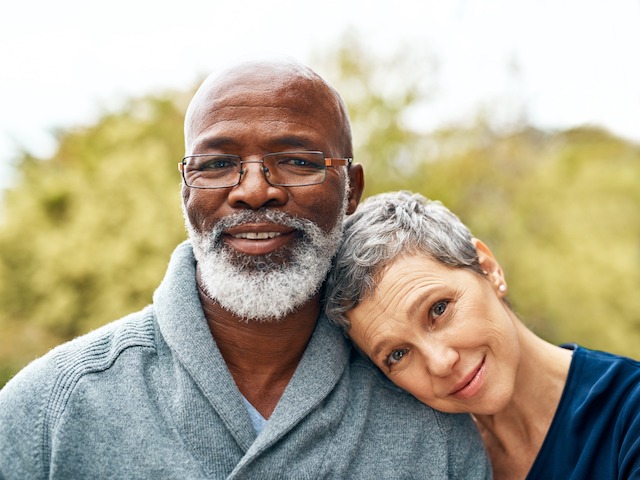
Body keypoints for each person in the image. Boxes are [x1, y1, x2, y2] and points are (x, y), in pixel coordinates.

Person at [0, 62, 491, 479]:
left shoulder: (433, 409)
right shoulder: (52, 410)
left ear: (351, 192)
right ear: (186, 189)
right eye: (216, 164)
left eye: (297, 160)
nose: (255, 190)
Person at [324, 190, 640, 480]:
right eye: (397, 354)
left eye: (438, 310)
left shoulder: (628, 412)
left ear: (488, 268)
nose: (440, 363)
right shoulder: (429, 464)